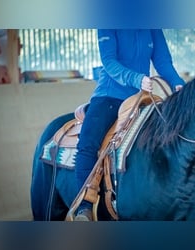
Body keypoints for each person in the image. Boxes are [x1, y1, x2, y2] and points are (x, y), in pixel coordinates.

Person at [75, 29, 186, 221]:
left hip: (139, 98)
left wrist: (177, 83)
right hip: (109, 96)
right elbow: (109, 62)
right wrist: (136, 78)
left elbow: (163, 62)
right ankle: (84, 206)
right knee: (87, 145)